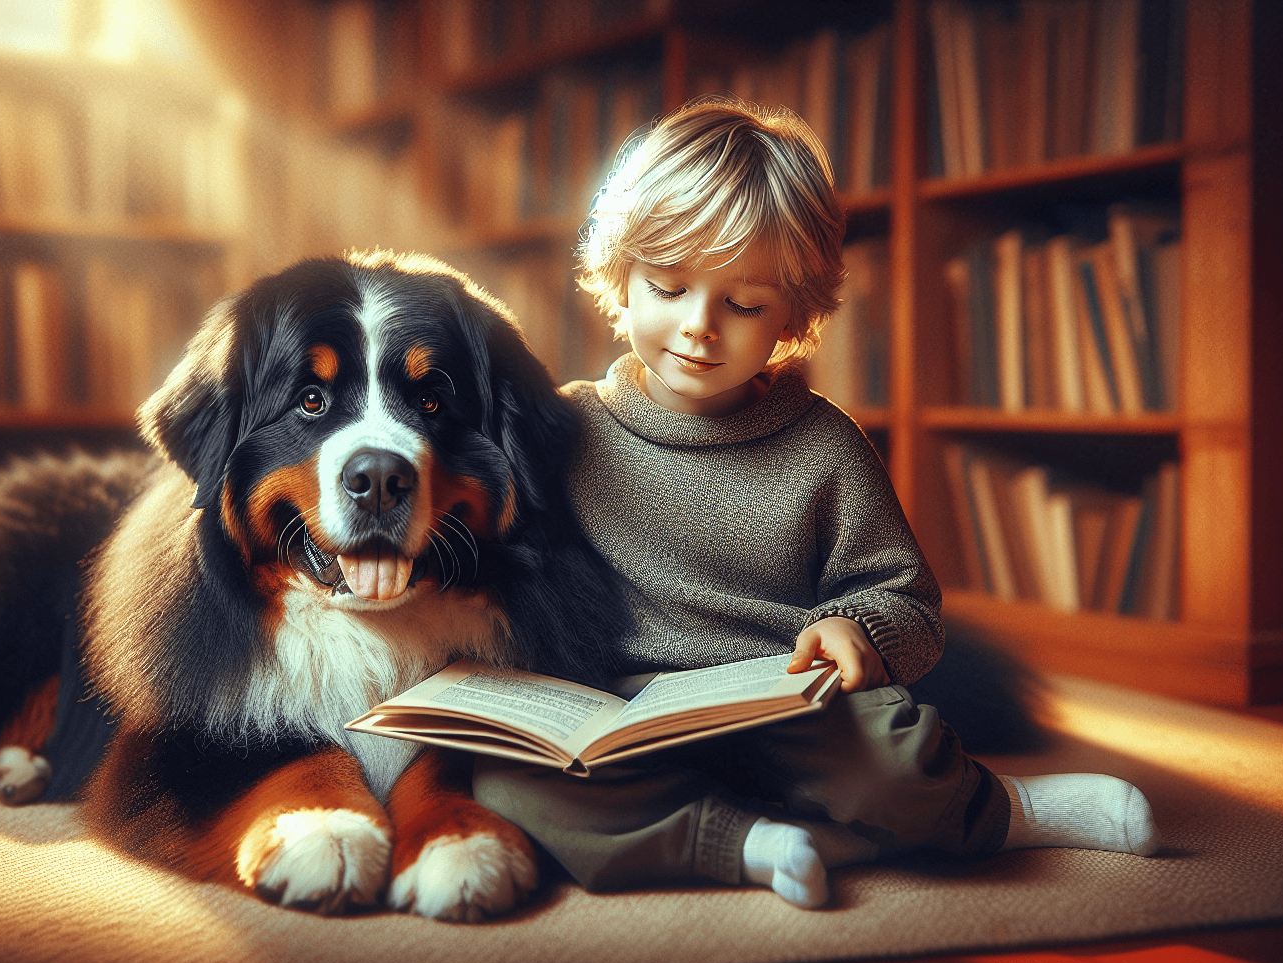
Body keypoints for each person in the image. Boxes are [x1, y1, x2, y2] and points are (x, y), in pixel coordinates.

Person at [470, 96, 1159, 909]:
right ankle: (753, 844)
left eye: (744, 304)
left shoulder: (824, 445)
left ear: (794, 314)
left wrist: (859, 630)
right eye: (669, 287)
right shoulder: (566, 429)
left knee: (899, 762)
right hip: (623, 718)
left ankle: (1009, 810)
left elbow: (909, 600)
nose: (699, 326)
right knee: (506, 786)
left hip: (791, 709)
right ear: (621, 278)